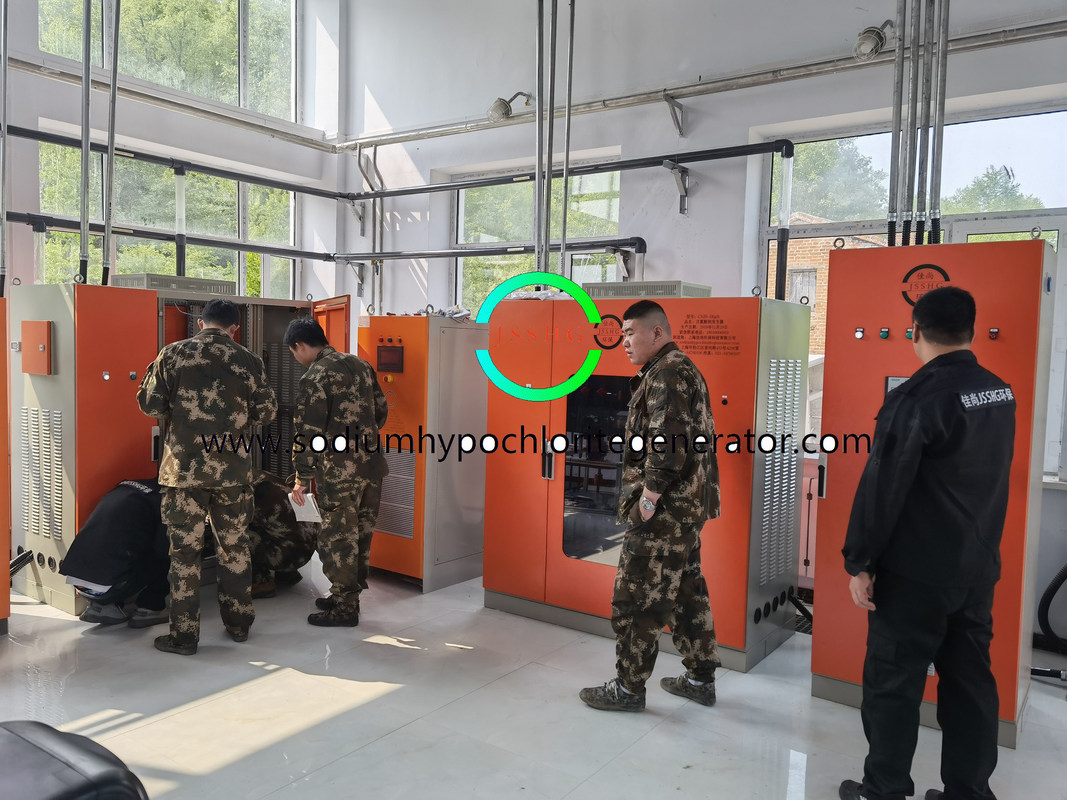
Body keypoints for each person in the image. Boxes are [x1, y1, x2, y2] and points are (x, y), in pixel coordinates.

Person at [838, 287, 1016, 800]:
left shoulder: (915, 399)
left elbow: (882, 487)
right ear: (972, 330)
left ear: (915, 330)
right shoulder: (998, 392)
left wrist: (860, 561)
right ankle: (969, 791)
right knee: (970, 683)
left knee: (894, 683)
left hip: (916, 574)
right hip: (976, 567)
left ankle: (885, 789)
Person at [579, 299, 722, 712]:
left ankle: (628, 689)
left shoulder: (667, 373)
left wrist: (648, 500)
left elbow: (667, 445)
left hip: (665, 512)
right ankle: (700, 678)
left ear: (656, 332)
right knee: (686, 592)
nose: (623, 342)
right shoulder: (678, 368)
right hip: (687, 509)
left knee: (638, 594)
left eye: (629, 333)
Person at [137, 298, 277, 655]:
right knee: (235, 548)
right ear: (235, 329)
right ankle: (239, 625)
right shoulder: (249, 361)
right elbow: (266, 412)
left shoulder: (172, 354)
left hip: (184, 474)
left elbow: (150, 405)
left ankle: (184, 637)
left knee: (184, 555)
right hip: (233, 473)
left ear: (201, 323)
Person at [285, 317, 388, 627]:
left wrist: (302, 477)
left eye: (294, 352)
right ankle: (347, 595)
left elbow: (308, 434)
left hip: (339, 472)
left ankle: (345, 607)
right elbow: (381, 411)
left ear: (300, 345)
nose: (296, 358)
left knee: (337, 537)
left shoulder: (315, 377)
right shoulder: (361, 365)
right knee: (361, 534)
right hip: (371, 466)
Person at [61, 478, 170, 628]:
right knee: (170, 551)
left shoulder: (127, 486)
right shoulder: (165, 501)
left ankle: (101, 606)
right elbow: (162, 550)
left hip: (76, 581)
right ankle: (151, 608)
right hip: (108, 586)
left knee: (117, 547)